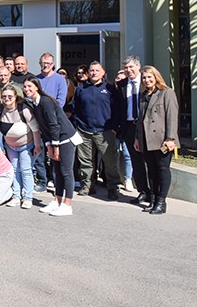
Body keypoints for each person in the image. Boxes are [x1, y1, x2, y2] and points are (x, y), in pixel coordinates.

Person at [24, 76, 81, 217]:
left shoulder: (46, 101)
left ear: (37, 87)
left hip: (66, 138)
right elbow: (44, 127)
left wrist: (54, 146)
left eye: (30, 86)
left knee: (66, 171)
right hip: (54, 139)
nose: (27, 89)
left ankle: (67, 205)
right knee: (57, 171)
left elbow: (53, 124)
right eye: (25, 87)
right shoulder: (35, 104)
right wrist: (49, 145)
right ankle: (57, 200)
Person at [72, 61, 122, 200]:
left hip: (105, 132)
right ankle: (88, 185)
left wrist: (114, 127)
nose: (94, 73)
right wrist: (78, 124)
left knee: (110, 161)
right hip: (84, 131)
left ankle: (112, 187)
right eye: (92, 70)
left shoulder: (111, 89)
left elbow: (118, 109)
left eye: (97, 70)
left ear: (103, 72)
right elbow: (75, 108)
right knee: (86, 161)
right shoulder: (81, 89)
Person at [137, 65, 180, 215]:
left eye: (149, 77)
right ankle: (154, 199)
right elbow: (140, 120)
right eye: (144, 77)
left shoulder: (166, 93)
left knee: (162, 170)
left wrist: (170, 138)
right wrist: (138, 138)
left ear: (156, 77)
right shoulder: (143, 96)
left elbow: (172, 117)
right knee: (152, 171)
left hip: (162, 139)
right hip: (146, 139)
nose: (147, 80)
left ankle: (161, 202)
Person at [117, 55, 151, 206]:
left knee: (150, 161)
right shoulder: (122, 84)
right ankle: (143, 192)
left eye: (131, 67)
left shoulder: (147, 83)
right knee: (136, 162)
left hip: (147, 127)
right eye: (126, 68)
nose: (128, 70)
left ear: (139, 66)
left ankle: (155, 193)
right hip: (130, 127)